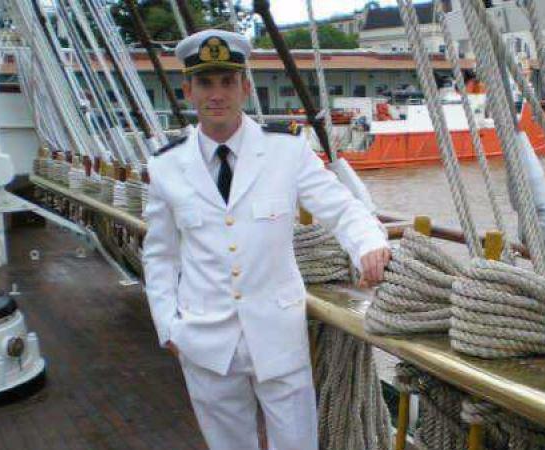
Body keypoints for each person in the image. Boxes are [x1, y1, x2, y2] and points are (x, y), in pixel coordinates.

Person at [142, 29, 391, 450]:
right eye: (205, 82)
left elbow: (340, 206)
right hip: (204, 342)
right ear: (188, 91)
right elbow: (160, 255)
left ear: (245, 87)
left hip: (278, 336)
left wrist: (368, 245)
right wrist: (168, 326)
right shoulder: (165, 167)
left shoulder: (286, 151)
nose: (216, 94)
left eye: (227, 81)